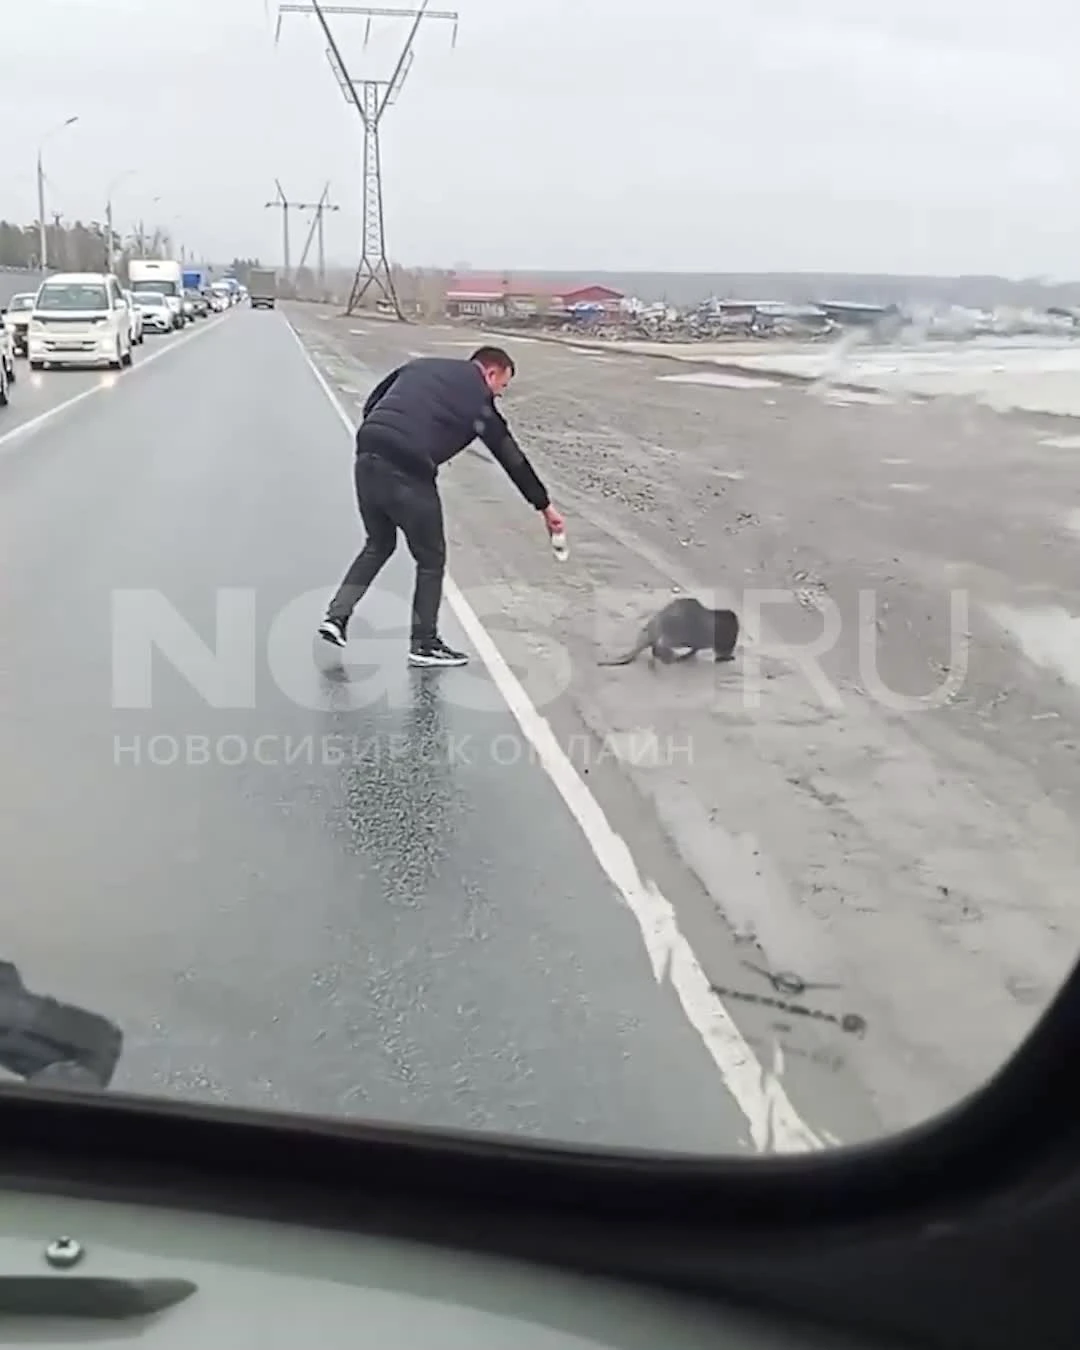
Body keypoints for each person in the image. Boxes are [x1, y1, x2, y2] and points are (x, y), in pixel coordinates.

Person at [318, 346, 564, 668]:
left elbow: (374, 401)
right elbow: (510, 456)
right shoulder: (479, 403)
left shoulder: (421, 366)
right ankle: (424, 643)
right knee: (431, 559)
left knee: (378, 544)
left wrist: (382, 441)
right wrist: (544, 506)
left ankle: (336, 617)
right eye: (501, 387)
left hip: (368, 453)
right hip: (409, 467)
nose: (497, 395)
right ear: (491, 373)